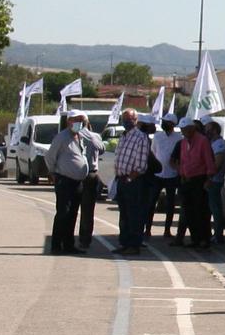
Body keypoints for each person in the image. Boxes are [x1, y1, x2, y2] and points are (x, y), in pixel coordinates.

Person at [47, 109, 106, 254]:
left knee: (73, 213)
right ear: (69, 122)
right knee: (63, 213)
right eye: (76, 120)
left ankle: (68, 244)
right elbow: (50, 156)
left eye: (81, 121)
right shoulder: (62, 137)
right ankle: (56, 245)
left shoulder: (80, 136)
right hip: (64, 180)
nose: (79, 123)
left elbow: (97, 147)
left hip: (78, 182)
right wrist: (52, 172)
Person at [113, 110, 157, 256]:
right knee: (124, 215)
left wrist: (131, 178)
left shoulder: (140, 137)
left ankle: (134, 245)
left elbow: (141, 165)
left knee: (134, 215)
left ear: (136, 120)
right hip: (121, 179)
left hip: (133, 181)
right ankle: (124, 243)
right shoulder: (123, 137)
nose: (126, 121)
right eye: (124, 118)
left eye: (129, 119)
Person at [176, 116, 215, 249]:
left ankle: (204, 239)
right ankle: (195, 239)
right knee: (189, 211)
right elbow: (183, 160)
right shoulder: (183, 142)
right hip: (187, 180)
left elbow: (208, 160)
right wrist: (182, 174)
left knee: (201, 211)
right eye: (182, 130)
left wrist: (209, 178)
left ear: (192, 129)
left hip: (200, 179)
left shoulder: (202, 141)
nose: (183, 132)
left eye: (185, 130)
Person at [151, 114, 182, 240]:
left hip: (172, 175)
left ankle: (167, 230)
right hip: (158, 174)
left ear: (173, 124)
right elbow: (153, 152)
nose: (164, 124)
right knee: (151, 202)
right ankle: (147, 229)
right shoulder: (157, 137)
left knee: (170, 204)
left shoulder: (179, 138)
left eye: (167, 122)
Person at [205, 120, 225, 232]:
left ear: (214, 130)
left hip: (214, 180)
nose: (206, 130)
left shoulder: (219, 144)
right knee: (213, 207)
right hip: (213, 179)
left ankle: (218, 234)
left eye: (208, 128)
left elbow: (218, 162)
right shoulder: (213, 143)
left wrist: (210, 177)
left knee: (215, 208)